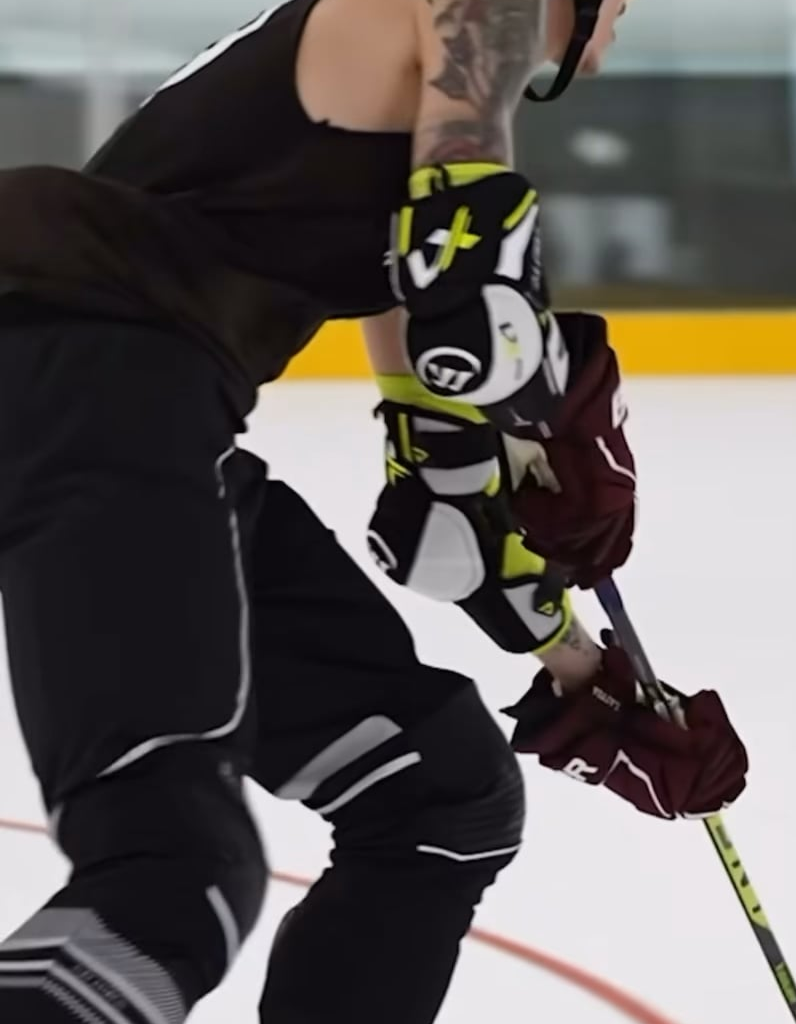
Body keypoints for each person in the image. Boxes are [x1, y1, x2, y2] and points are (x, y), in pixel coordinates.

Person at [0, 0, 749, 1021]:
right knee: (167, 884)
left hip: (113, 402)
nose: (616, 32)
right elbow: (480, 310)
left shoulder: (397, 143)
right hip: (83, 378)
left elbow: (445, 518)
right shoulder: (470, 12)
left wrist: (591, 677)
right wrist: (563, 419)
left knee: (439, 798)